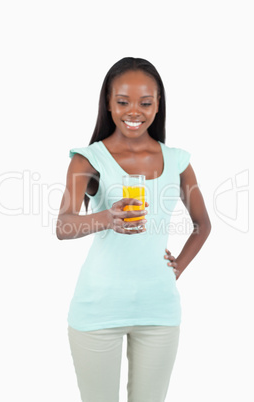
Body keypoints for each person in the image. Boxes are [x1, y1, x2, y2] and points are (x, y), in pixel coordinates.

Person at [56, 57, 211, 402]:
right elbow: (64, 225)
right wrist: (106, 218)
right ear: (109, 104)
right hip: (98, 309)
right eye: (123, 101)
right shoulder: (88, 159)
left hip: (159, 311)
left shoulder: (178, 160)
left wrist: (177, 268)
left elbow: (203, 224)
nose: (134, 111)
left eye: (145, 102)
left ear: (158, 106)